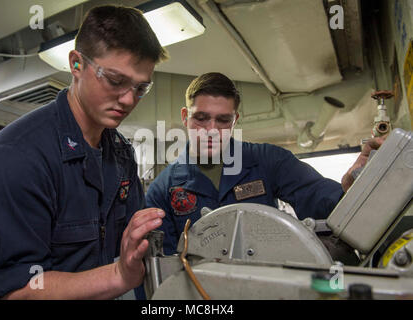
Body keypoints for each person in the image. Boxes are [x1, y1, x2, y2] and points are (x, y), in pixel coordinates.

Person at [0, 5, 168, 299]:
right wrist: (118, 275)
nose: (128, 99)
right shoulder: (12, 159)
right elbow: (18, 291)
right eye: (115, 80)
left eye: (140, 88)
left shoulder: (120, 152)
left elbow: (128, 244)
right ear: (76, 64)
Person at [145, 72, 386, 256]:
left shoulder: (268, 161)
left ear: (234, 120)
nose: (211, 130)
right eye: (201, 118)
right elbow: (161, 267)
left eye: (222, 120)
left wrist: (351, 190)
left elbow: (324, 201)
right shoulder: (162, 190)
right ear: (185, 117)